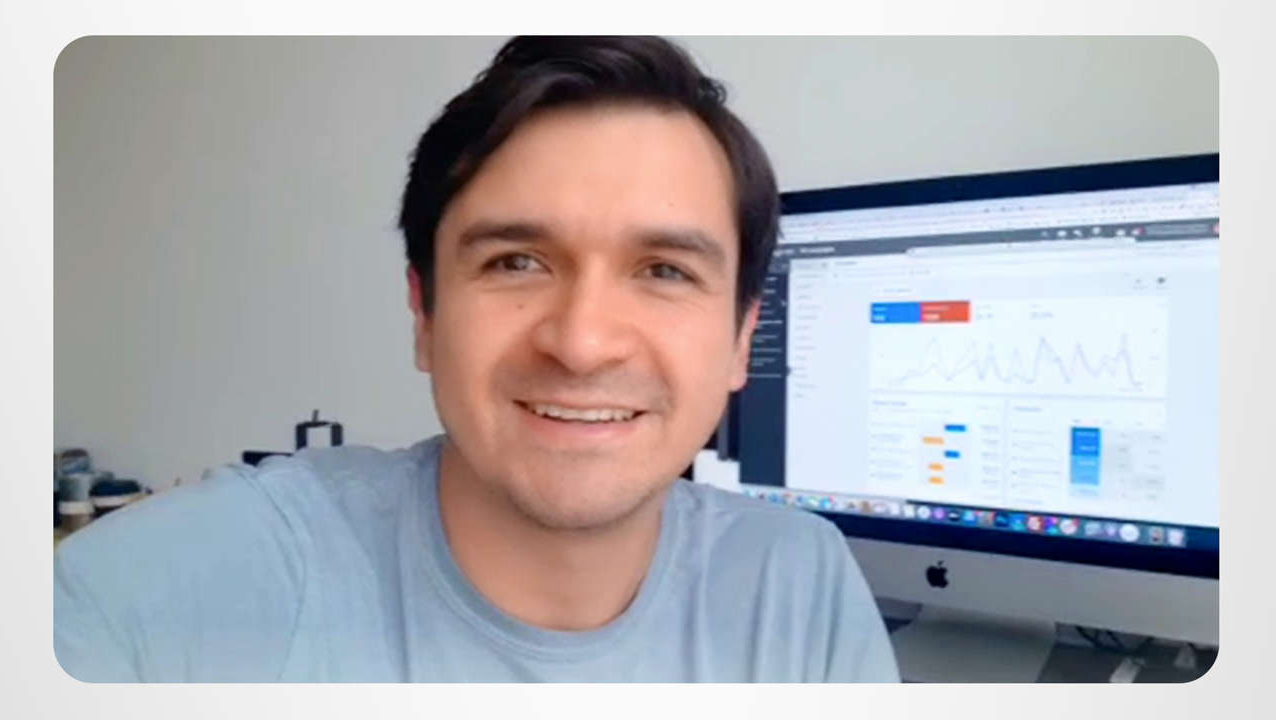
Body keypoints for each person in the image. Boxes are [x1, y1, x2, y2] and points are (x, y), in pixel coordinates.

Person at [53, 36, 899, 682]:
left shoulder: (802, 587)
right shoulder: (181, 586)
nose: (582, 343)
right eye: (516, 262)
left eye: (665, 271)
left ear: (743, 339)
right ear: (424, 313)